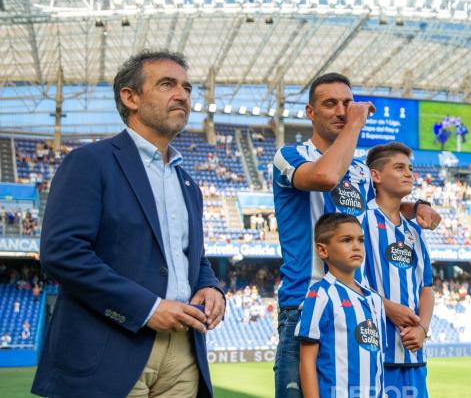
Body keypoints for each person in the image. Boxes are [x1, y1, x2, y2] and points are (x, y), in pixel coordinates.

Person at [31, 50, 225, 398]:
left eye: (187, 87)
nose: (182, 94)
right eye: (167, 84)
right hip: (110, 346)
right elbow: (62, 252)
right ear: (130, 97)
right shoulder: (90, 162)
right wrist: (147, 308)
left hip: (184, 352)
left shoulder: (188, 184)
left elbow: (192, 259)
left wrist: (212, 288)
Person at [272, 73, 441, 397]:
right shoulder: (289, 156)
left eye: (347, 104)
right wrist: (355, 124)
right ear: (310, 112)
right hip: (303, 302)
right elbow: (325, 176)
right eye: (330, 104)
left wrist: (417, 206)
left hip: (354, 305)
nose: (341, 111)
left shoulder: (362, 173)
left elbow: (381, 208)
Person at [363, 142, 434, 398]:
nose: (409, 174)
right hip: (372, 358)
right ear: (376, 175)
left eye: (410, 168)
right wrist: (385, 307)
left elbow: (427, 288)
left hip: (413, 357)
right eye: (399, 167)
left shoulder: (414, 231)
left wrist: (422, 328)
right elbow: (345, 280)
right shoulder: (360, 219)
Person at [297, 213, 386, 398]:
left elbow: (377, 360)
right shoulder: (320, 294)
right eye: (346, 240)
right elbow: (307, 360)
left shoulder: (375, 300)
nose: (356, 246)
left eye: (360, 240)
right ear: (323, 250)